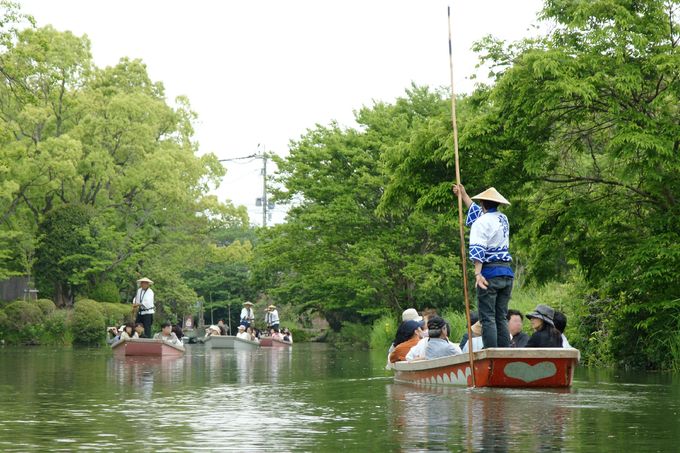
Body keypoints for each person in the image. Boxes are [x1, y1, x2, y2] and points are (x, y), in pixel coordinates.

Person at [454, 184, 514, 349]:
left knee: (488, 317)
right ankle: (504, 351)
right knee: (500, 316)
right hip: (506, 273)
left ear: (482, 203)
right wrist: (464, 195)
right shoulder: (503, 218)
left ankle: (492, 353)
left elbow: (478, 250)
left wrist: (477, 274)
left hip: (490, 273)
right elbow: (480, 215)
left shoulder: (480, 222)